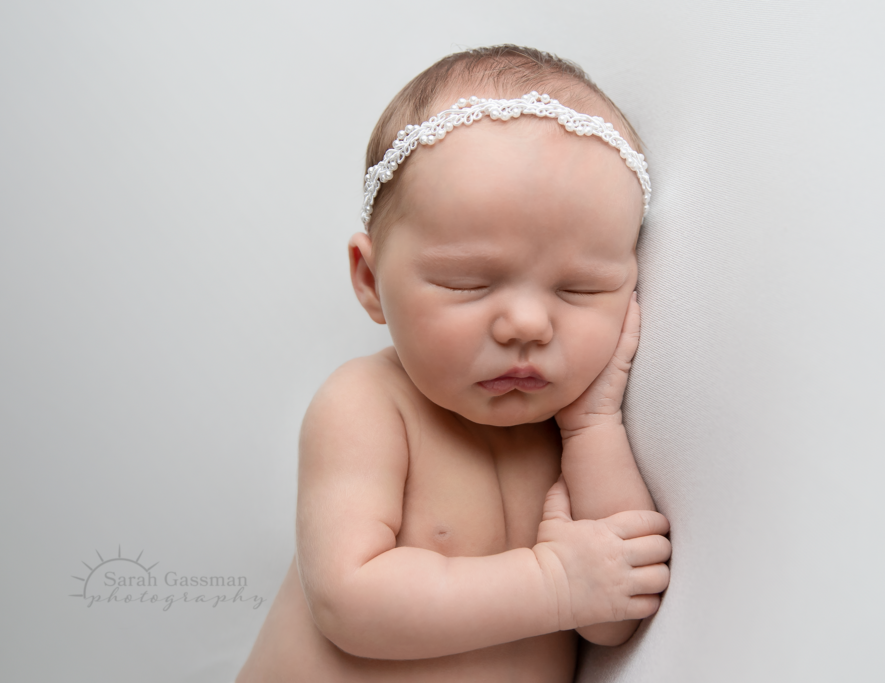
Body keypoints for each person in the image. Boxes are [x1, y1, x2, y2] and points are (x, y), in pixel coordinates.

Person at [238, 45, 671, 683]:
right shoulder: (367, 405)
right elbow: (349, 601)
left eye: (579, 288)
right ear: (370, 277)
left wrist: (594, 425)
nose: (528, 324)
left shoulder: (570, 434)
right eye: (469, 282)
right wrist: (552, 582)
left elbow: (611, 613)